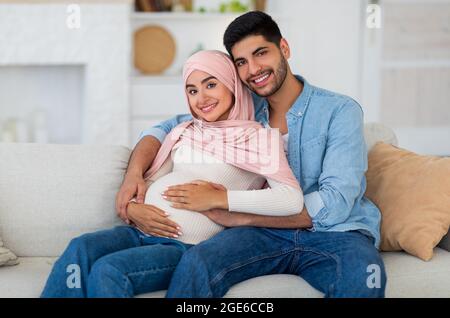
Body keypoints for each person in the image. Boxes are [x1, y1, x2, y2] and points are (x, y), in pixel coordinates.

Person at [117, 11, 387, 298]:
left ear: (284, 49)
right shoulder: (239, 107)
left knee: (365, 273)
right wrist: (133, 175)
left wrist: (238, 214)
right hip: (258, 235)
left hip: (336, 234)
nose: (253, 69)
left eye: (261, 53)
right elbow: (166, 128)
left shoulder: (339, 110)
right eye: (241, 62)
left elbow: (337, 202)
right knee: (198, 263)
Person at [40, 50, 303, 298]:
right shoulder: (186, 131)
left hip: (184, 247)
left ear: (232, 84)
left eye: (211, 85)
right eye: (192, 90)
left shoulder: (259, 138)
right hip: (139, 231)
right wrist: (133, 209)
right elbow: (152, 180)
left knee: (109, 269)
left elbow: (291, 199)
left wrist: (220, 199)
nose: (201, 98)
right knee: (80, 248)